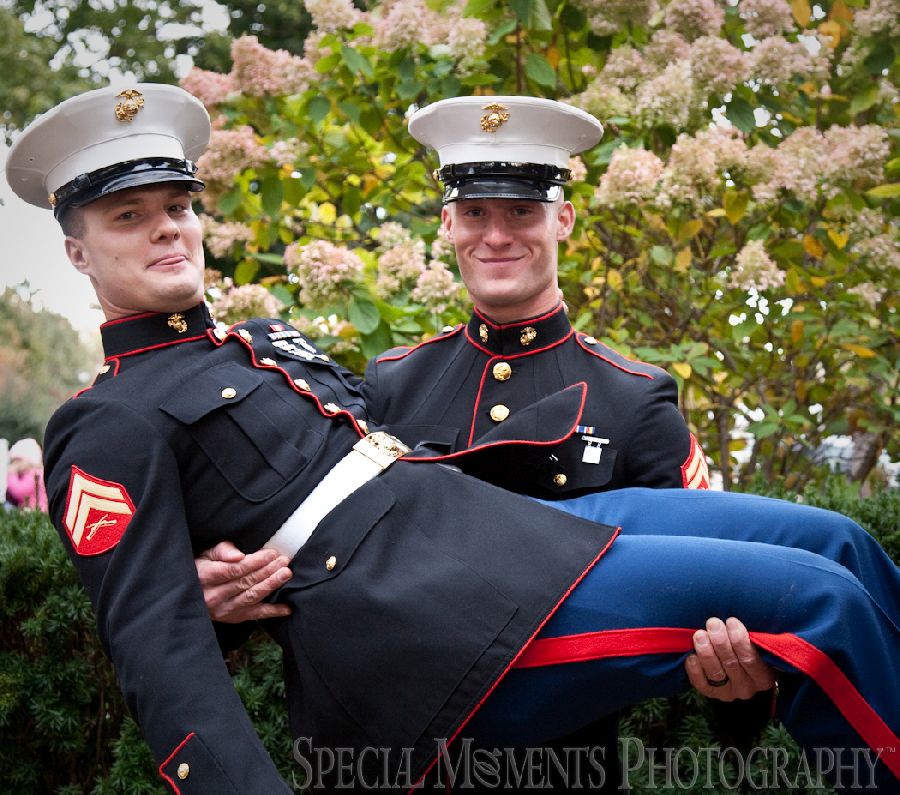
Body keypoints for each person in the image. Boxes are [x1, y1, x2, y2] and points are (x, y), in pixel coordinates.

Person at [7, 84, 899, 795]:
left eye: (177, 203)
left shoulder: (268, 341)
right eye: (127, 216)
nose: (166, 225)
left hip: (482, 532)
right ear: (78, 254)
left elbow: (385, 449)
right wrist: (194, 600)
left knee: (836, 542)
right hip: (419, 617)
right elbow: (154, 644)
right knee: (818, 602)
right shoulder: (104, 419)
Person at [6, 437, 48, 511]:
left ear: (30, 460)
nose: (15, 464)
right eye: (13, 461)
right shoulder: (28, 474)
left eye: (18, 460)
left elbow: (19, 492)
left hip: (37, 510)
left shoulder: (35, 474)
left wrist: (11, 475)